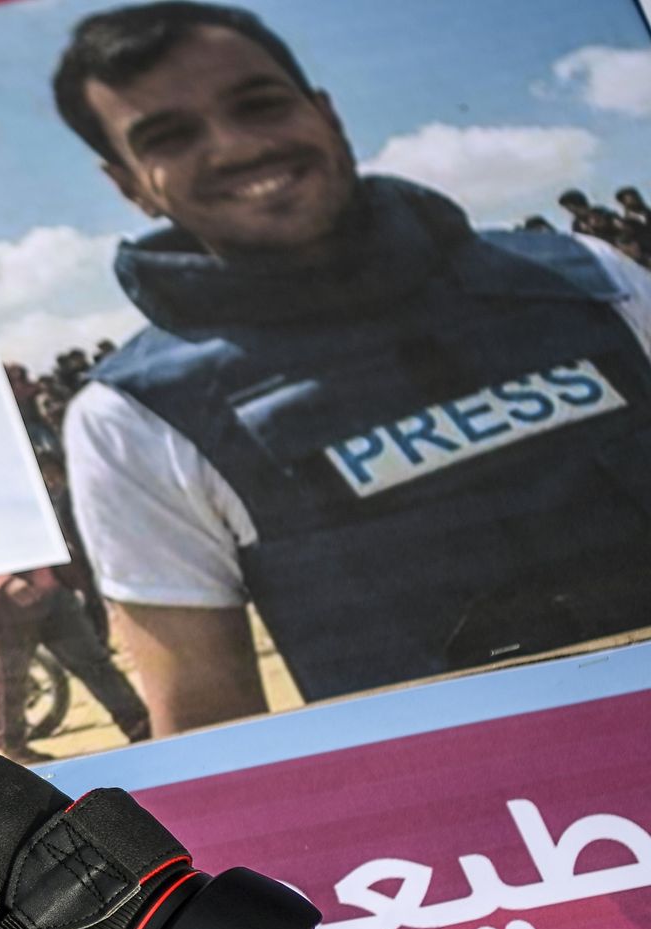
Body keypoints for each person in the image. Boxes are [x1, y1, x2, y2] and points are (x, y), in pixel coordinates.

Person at [52, 2, 651, 734]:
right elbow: (208, 735)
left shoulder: (592, 279)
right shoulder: (133, 420)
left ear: (326, 112)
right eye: (170, 137)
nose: (237, 147)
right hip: (495, 840)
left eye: (260, 104)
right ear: (131, 185)